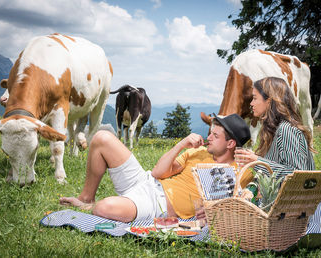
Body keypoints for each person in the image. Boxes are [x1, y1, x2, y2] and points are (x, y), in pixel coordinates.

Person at [60, 114, 251, 222]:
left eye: (215, 136)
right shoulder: (198, 152)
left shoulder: (241, 171)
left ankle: (94, 205)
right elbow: (158, 172)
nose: (208, 137)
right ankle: (86, 198)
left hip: (155, 204)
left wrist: (216, 211)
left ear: (230, 144)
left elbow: (258, 194)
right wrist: (181, 144)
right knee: (102, 138)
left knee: (103, 208)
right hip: (146, 181)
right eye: (210, 133)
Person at [235, 76, 315, 179]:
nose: (251, 103)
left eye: (255, 98)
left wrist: (256, 161)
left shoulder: (287, 130)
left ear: (269, 101)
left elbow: (297, 175)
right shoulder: (273, 130)